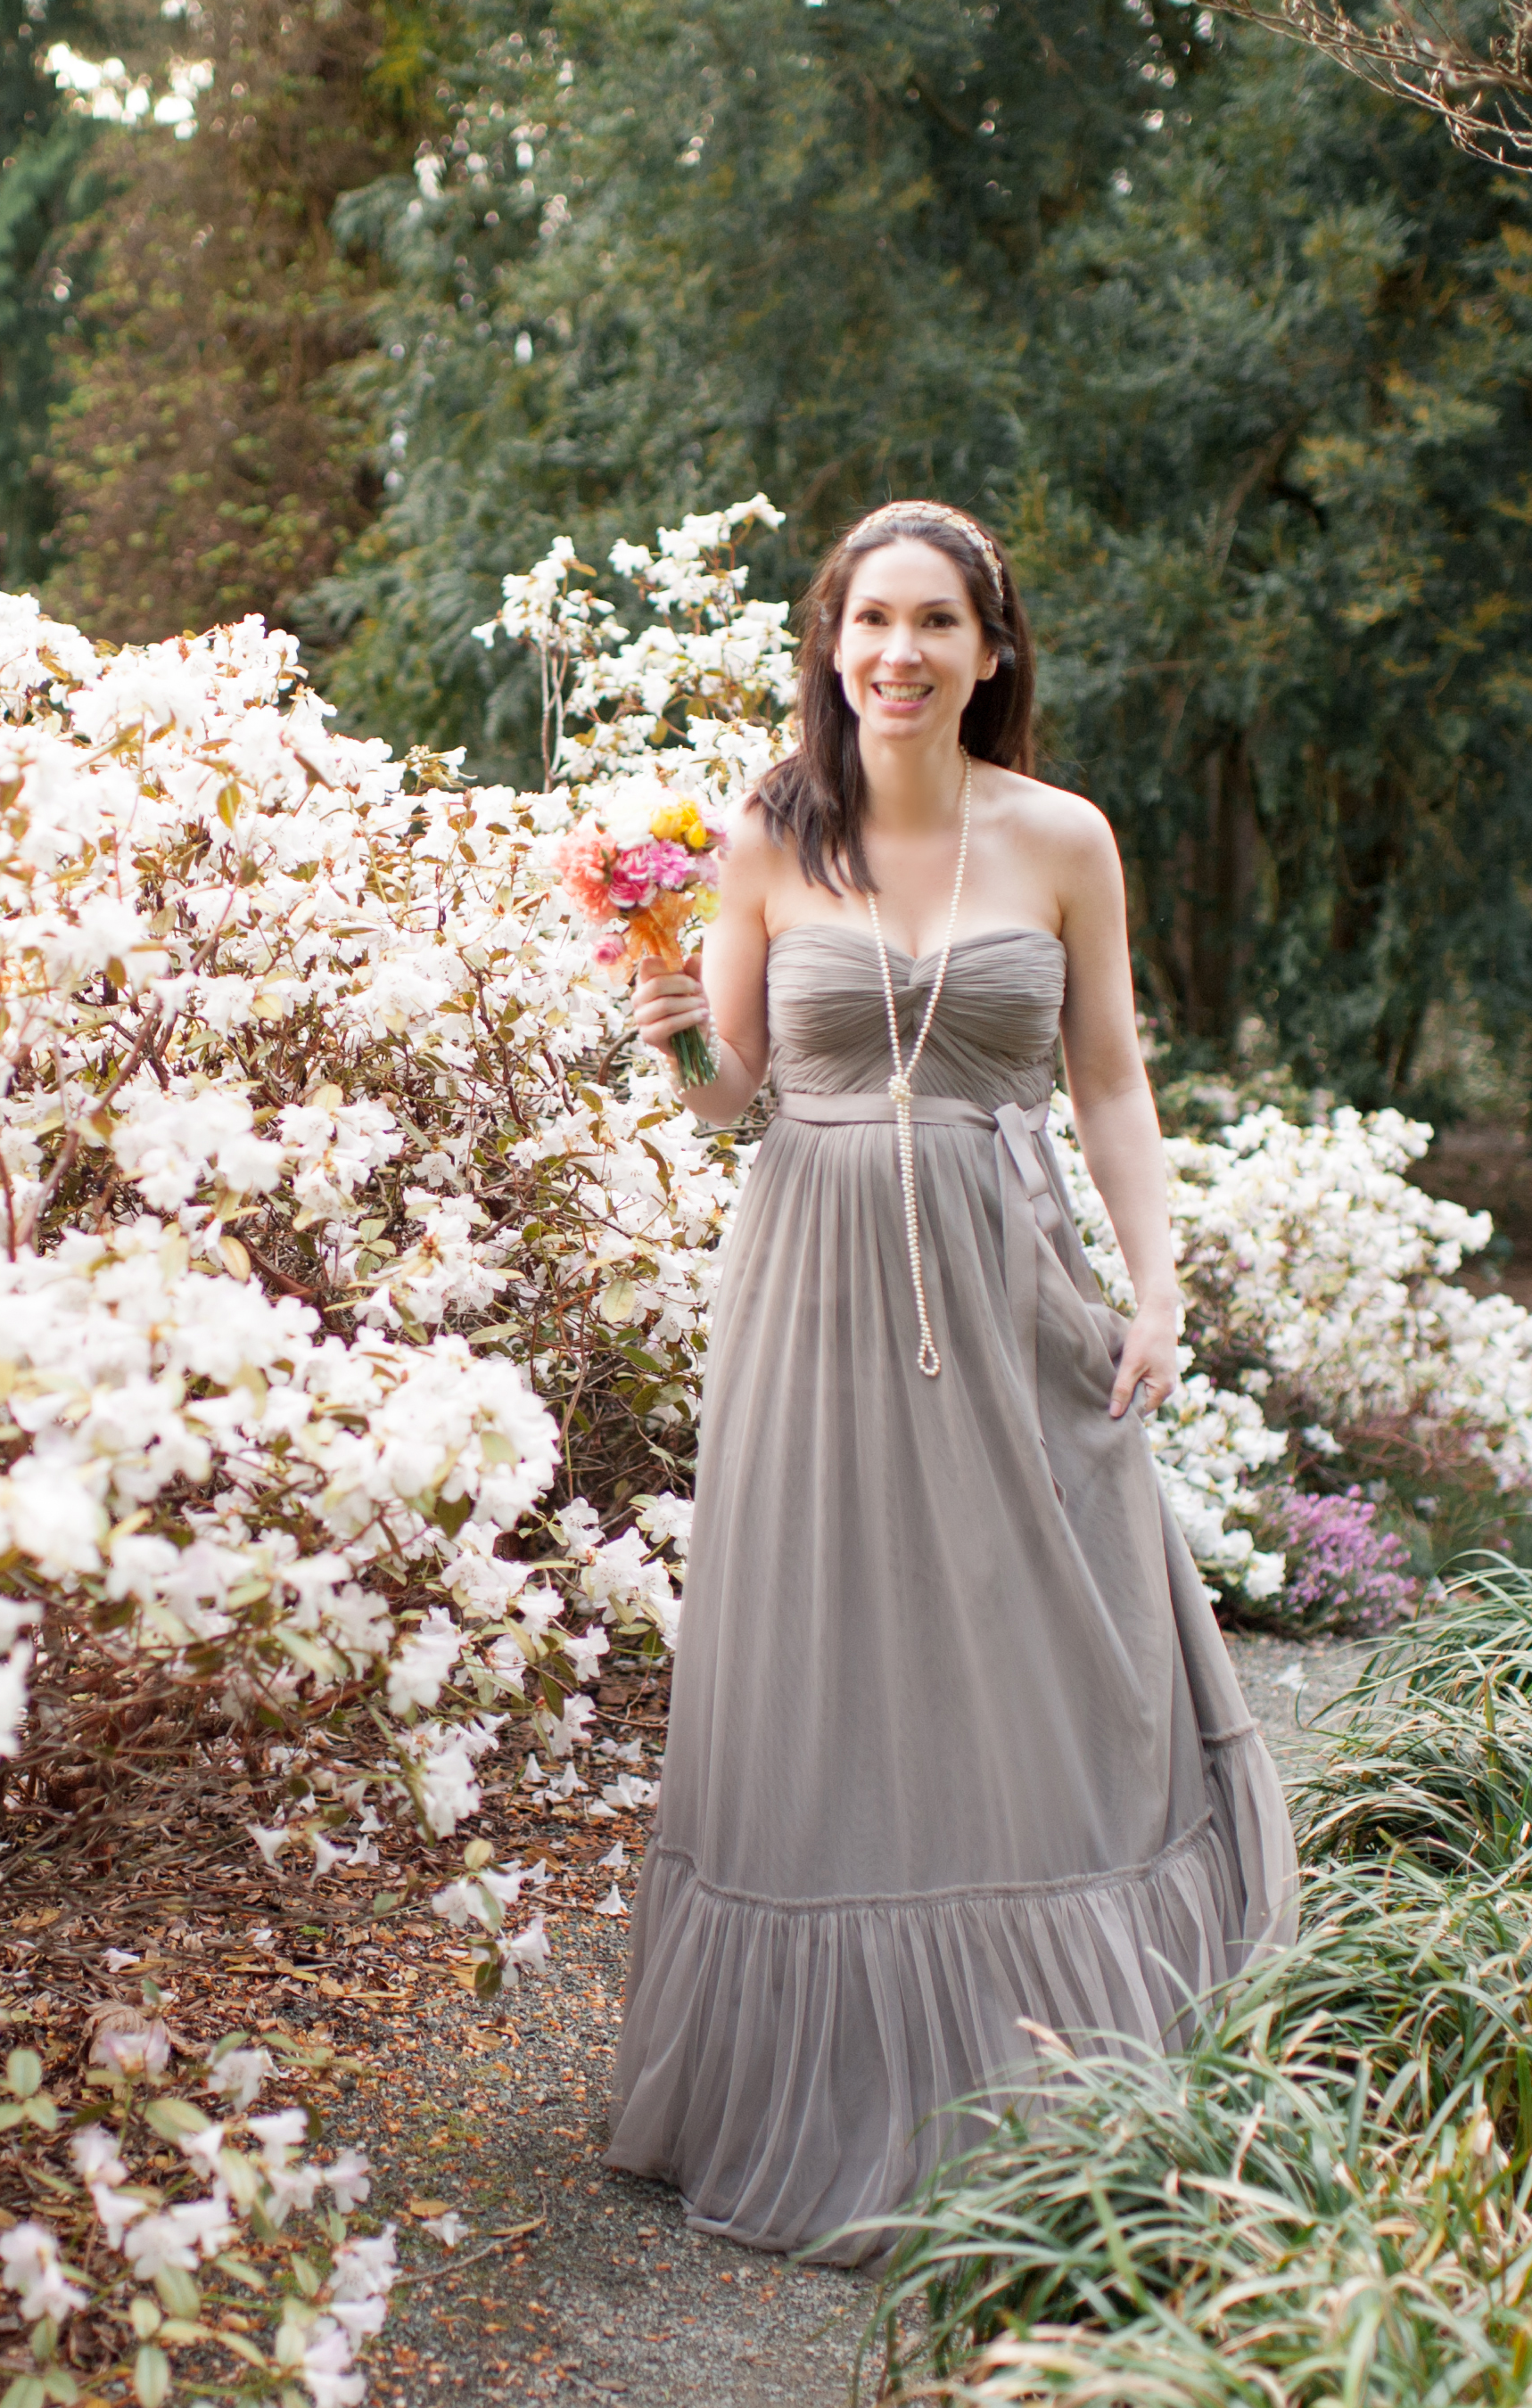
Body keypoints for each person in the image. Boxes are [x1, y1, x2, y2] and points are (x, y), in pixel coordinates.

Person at [603, 499, 1298, 2264]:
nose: (895, 654)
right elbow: (729, 1093)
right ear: (829, 647)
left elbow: (1114, 1084)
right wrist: (662, 1006)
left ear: (990, 652)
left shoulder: (1061, 838)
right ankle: (829, 2077)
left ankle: (1063, 2057)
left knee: (1043, 1639)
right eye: (865, 623)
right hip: (810, 1287)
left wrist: (1157, 1288)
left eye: (932, 623)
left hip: (1007, 1277)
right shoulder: (762, 833)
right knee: (832, 1651)